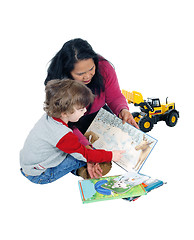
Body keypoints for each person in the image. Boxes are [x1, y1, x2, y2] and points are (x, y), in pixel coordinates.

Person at [20, 79, 125, 184]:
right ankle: (79, 170)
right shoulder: (62, 134)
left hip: (30, 166)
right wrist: (111, 155)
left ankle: (83, 165)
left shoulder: (51, 117)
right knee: (81, 156)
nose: (85, 111)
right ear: (64, 113)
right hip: (41, 175)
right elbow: (86, 154)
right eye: (81, 109)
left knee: (80, 150)